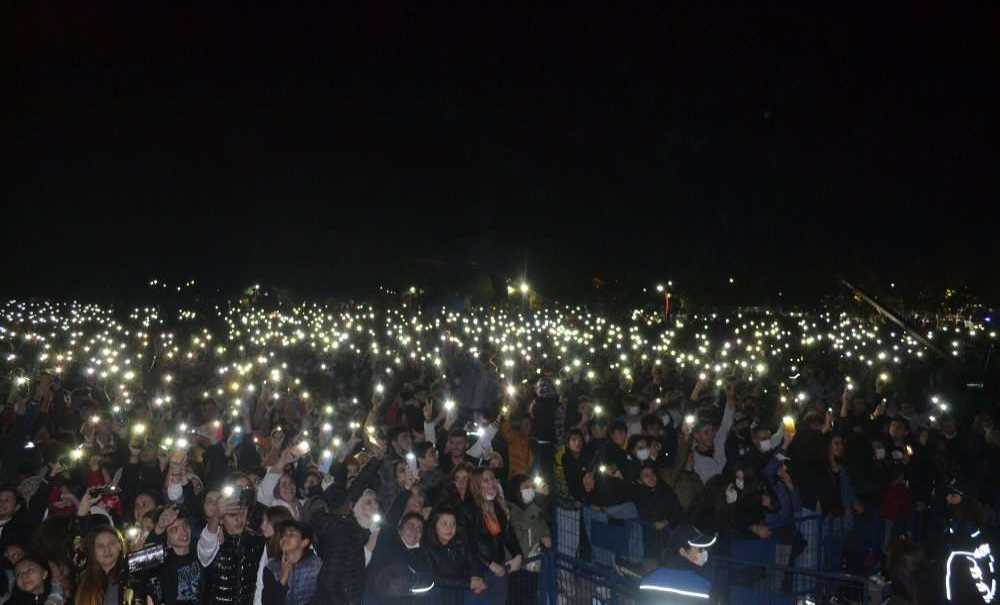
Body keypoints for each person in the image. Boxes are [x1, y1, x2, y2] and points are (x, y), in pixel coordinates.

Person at [197, 490, 265, 605]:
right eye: (232, 515)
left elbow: (261, 584)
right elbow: (205, 549)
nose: (239, 519)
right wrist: (215, 518)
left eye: (242, 513)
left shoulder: (258, 541)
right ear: (221, 519)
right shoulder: (214, 539)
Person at [465, 468, 522, 605]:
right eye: (486, 480)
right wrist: (489, 564)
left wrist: (518, 555)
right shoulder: (468, 509)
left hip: (500, 569)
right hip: (479, 572)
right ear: (476, 485)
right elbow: (467, 544)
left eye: (493, 479)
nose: (491, 483)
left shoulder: (498, 506)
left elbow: (508, 534)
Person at [313, 488, 378, 605]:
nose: (375, 507)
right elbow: (330, 579)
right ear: (355, 507)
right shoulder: (345, 531)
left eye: (376, 503)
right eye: (368, 502)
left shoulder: (369, 534)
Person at [363, 512, 434, 604]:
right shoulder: (386, 541)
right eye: (410, 525)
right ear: (400, 529)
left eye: (419, 529)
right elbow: (393, 513)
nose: (415, 530)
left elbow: (426, 585)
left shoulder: (423, 557)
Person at [423, 509, 485, 605]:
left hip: (460, 590)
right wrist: (469, 583)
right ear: (434, 526)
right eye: (444, 524)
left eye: (453, 524)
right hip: (438, 594)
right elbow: (434, 578)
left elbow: (473, 561)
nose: (450, 528)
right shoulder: (426, 547)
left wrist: (477, 577)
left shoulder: (460, 542)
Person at [144, 510, 204, 605]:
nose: (183, 531)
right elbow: (137, 562)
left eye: (185, 525)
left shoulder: (201, 551)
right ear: (166, 538)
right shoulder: (161, 563)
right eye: (174, 529)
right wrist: (159, 528)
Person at [261, 520, 320, 605]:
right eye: (283, 535)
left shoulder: (316, 566)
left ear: (304, 542)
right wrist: (283, 578)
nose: (284, 538)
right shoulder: (271, 567)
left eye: (291, 534)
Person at [74, 527, 127, 605]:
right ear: (93, 551)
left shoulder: (129, 575)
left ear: (120, 545)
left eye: (111, 543)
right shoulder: (85, 580)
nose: (107, 550)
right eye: (100, 546)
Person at [254, 507, 294, 605]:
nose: (262, 526)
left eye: (266, 522)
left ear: (277, 526)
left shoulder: (289, 553)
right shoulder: (267, 546)